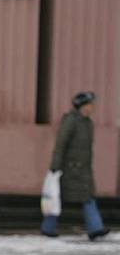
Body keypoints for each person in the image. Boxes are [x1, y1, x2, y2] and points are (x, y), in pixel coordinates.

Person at [41, 91, 110, 240]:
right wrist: (55, 166)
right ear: (82, 106)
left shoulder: (87, 123)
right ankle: (48, 227)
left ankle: (95, 228)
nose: (92, 108)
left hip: (83, 170)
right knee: (56, 197)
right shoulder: (70, 121)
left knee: (88, 197)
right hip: (69, 169)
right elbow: (61, 144)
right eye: (90, 105)